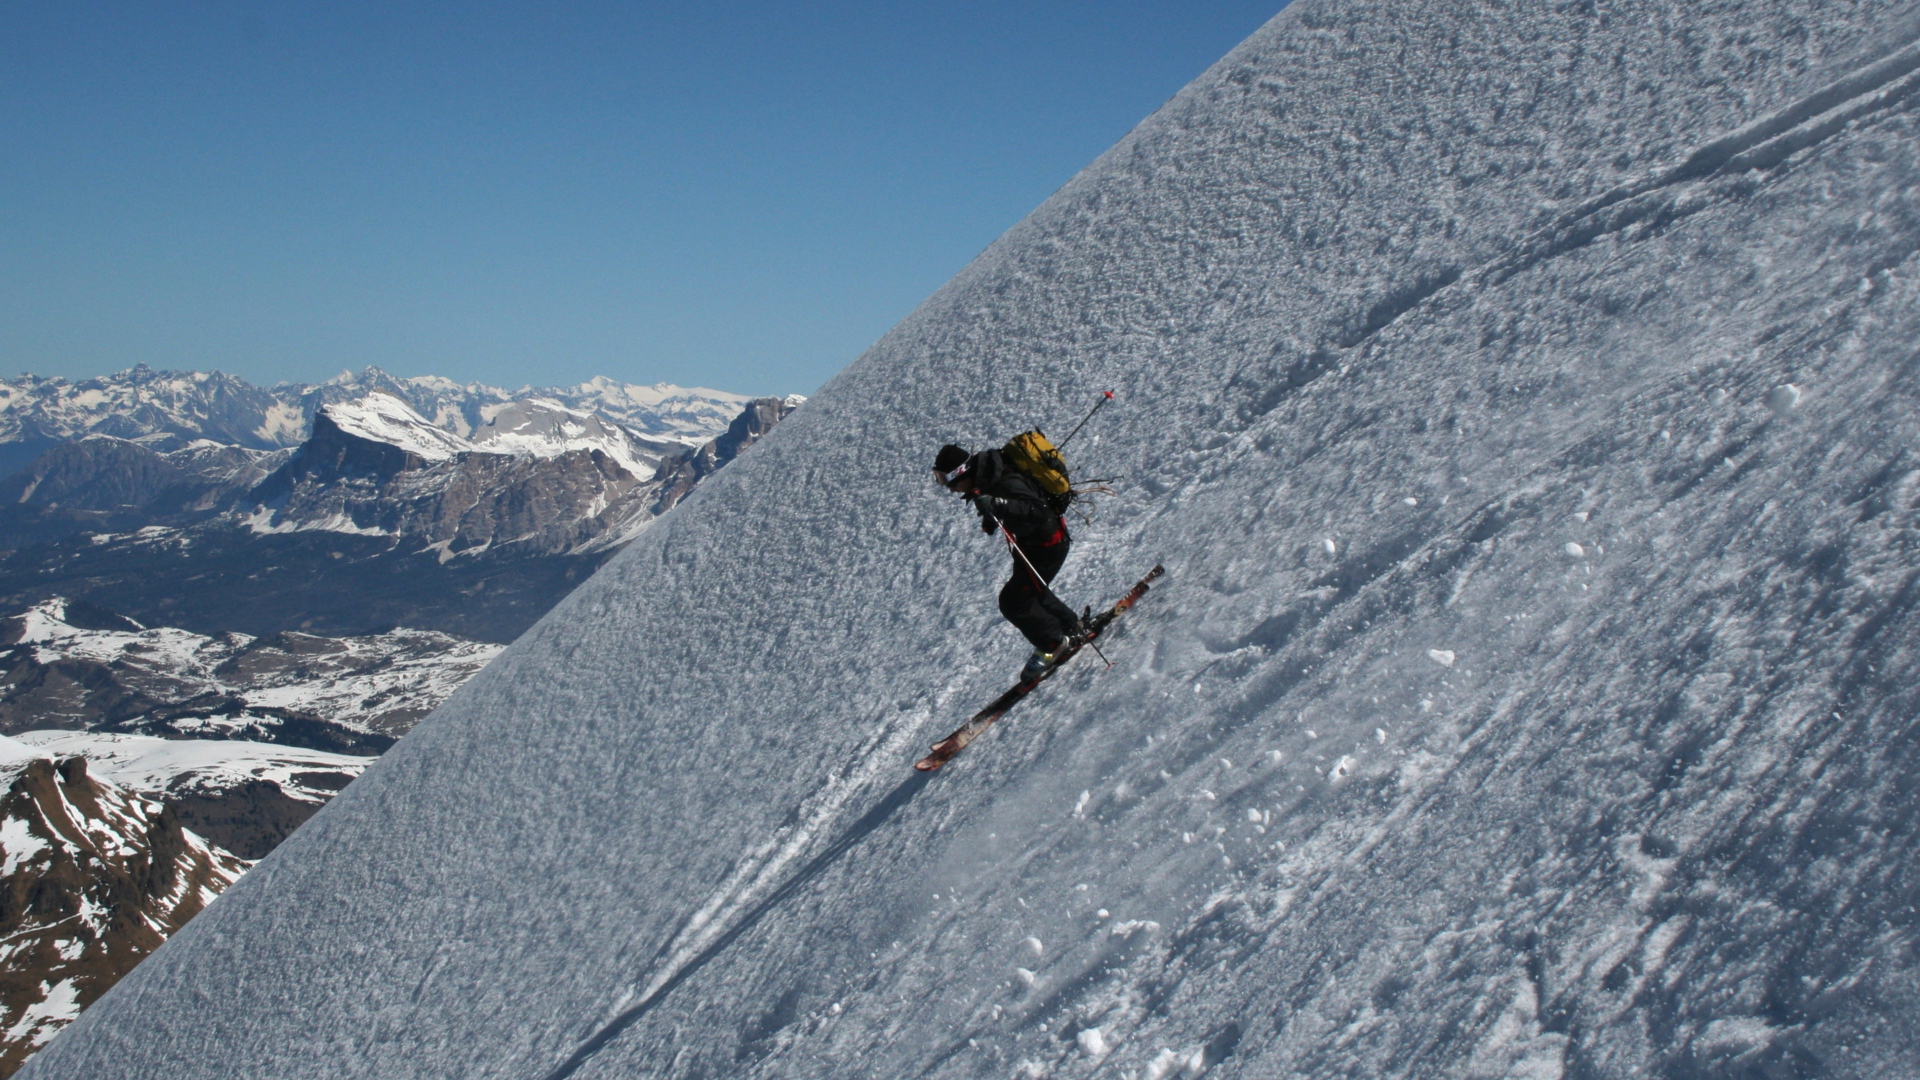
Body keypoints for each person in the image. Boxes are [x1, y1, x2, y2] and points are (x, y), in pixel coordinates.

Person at [933, 443, 1082, 679]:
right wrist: (993, 516)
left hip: (1047, 545)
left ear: (962, 473)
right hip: (1032, 545)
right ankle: (1071, 627)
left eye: (948, 481)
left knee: (1015, 602)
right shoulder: (987, 477)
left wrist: (998, 505)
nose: (951, 490)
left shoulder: (1003, 480)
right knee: (1032, 590)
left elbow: (1038, 510)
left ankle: (1053, 645)